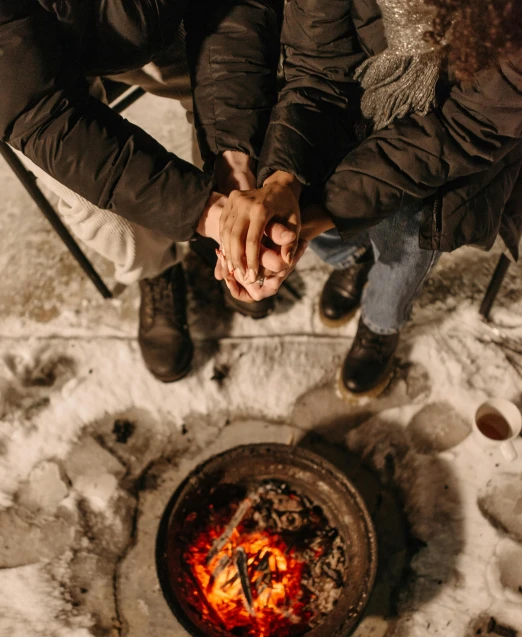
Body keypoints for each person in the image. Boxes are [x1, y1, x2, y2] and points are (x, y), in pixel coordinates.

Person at [217, 0, 522, 396]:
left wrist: (322, 215)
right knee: (313, 172)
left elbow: (465, 128)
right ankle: (352, 258)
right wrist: (282, 185)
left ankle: (380, 323)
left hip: (451, 153)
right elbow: (315, 68)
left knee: (406, 237)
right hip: (358, 102)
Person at [0, 0, 293, 382]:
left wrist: (234, 166)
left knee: (249, 99)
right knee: (93, 197)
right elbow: (39, 113)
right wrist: (204, 211)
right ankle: (156, 267)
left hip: (166, 17)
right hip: (28, 61)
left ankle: (222, 238)